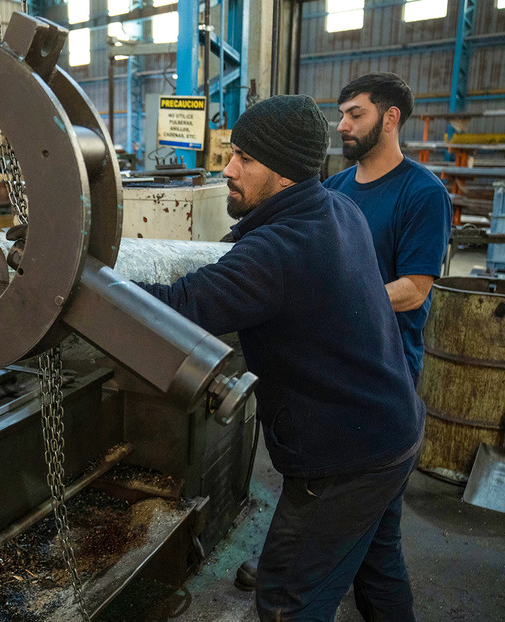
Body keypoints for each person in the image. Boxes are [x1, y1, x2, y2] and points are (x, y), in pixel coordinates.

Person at [134, 95, 423, 621]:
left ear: (286, 174)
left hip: (342, 462)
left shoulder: (277, 251)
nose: (228, 169)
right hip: (392, 431)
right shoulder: (338, 208)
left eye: (245, 158)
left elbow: (177, 309)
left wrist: (80, 280)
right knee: (378, 569)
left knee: (288, 600)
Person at [324, 72, 453, 385]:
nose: (342, 126)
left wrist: (339, 304)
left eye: (356, 114)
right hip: (329, 353)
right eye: (342, 115)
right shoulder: (331, 190)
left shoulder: (423, 193)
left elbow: (413, 290)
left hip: (384, 367)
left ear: (390, 118)